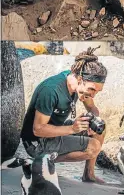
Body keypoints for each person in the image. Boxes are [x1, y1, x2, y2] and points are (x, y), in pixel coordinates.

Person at [21, 47, 107, 184]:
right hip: (36, 141)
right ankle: (40, 161)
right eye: (91, 89)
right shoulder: (51, 90)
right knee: (94, 147)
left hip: (55, 129)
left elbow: (91, 107)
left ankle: (88, 175)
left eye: (97, 91)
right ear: (79, 79)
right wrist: (73, 129)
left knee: (100, 128)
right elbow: (38, 129)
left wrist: (93, 120)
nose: (93, 94)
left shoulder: (78, 82)